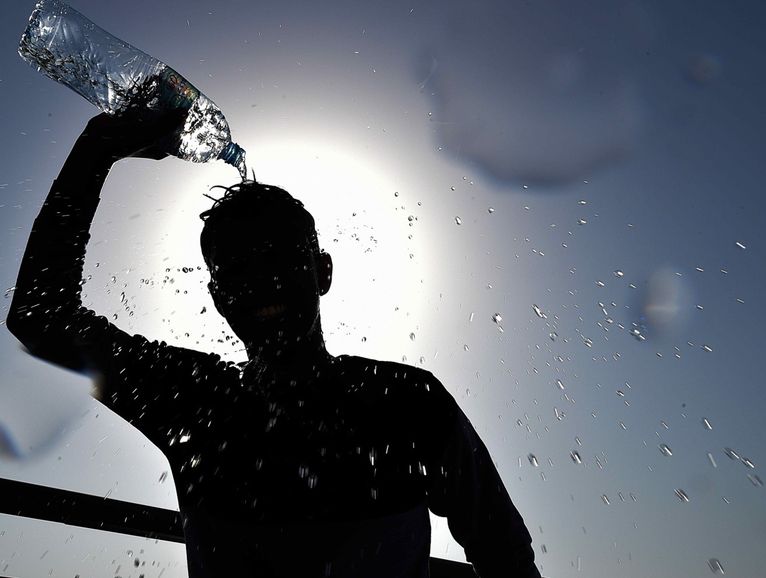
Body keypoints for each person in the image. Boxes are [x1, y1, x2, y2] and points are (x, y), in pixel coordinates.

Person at [6, 112, 542, 578]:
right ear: (218, 298)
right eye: (237, 270)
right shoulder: (196, 401)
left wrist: (98, 151)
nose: (261, 282)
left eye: (278, 257)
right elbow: (39, 316)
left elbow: (504, 556)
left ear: (323, 271)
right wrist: (98, 148)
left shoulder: (409, 402)